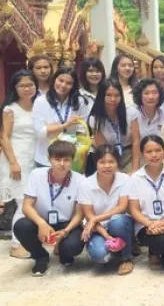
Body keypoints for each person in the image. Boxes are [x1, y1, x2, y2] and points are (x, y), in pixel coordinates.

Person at [14, 141, 86, 276]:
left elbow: (79, 214)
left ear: (72, 160)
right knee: (21, 226)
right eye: (57, 159)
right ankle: (40, 256)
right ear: (49, 159)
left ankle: (64, 253)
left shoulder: (81, 180)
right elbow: (27, 206)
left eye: (66, 160)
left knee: (72, 247)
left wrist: (66, 231)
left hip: (67, 223)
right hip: (42, 220)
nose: (62, 164)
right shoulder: (36, 175)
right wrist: (41, 224)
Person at [126, 135, 164, 273]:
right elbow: (134, 210)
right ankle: (154, 251)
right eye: (149, 152)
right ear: (142, 154)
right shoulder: (135, 178)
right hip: (147, 225)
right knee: (162, 242)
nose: (154, 155)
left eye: (158, 150)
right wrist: (150, 224)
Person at [78, 145, 134, 275]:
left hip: (119, 223)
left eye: (111, 162)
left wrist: (96, 218)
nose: (107, 166)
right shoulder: (86, 184)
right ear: (96, 163)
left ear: (117, 164)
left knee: (117, 220)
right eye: (102, 162)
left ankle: (126, 257)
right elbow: (88, 215)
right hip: (97, 229)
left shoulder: (124, 179)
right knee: (101, 256)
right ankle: (117, 246)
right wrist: (106, 235)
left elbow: (122, 207)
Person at [0, 70, 37, 259]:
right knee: (23, 202)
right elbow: (4, 137)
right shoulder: (10, 109)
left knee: (32, 201)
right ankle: (16, 244)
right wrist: (13, 162)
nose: (26, 88)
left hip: (33, 159)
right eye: (22, 85)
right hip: (16, 160)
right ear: (15, 88)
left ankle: (27, 240)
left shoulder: (38, 106)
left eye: (30, 84)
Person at [32, 67, 91, 168]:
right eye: (61, 80)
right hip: (45, 158)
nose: (63, 85)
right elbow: (40, 133)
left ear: (73, 85)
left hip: (72, 158)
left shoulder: (80, 102)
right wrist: (66, 125)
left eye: (69, 83)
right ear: (54, 79)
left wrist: (52, 128)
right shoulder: (41, 101)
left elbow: (82, 130)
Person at [87, 79, 135, 174]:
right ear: (102, 96)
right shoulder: (95, 118)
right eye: (108, 95)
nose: (113, 99)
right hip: (108, 155)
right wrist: (115, 171)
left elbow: (136, 141)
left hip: (129, 154)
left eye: (117, 95)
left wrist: (135, 169)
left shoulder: (131, 112)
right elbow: (102, 148)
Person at [130, 79, 164, 173]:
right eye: (146, 93)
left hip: (159, 160)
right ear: (140, 96)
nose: (151, 97)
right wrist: (135, 169)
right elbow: (134, 143)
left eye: (155, 93)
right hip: (136, 160)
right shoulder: (132, 114)